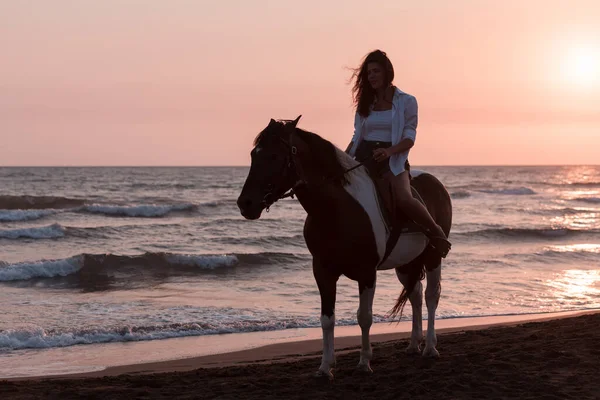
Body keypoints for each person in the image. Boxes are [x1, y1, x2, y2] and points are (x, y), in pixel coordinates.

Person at [345, 49, 451, 258]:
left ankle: (437, 234)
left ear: (387, 72)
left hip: (393, 160)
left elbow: (409, 137)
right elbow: (357, 136)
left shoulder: (406, 101)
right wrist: (344, 158)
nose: (372, 76)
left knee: (403, 197)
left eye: (376, 71)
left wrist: (389, 151)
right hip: (364, 157)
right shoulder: (365, 103)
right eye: (368, 73)